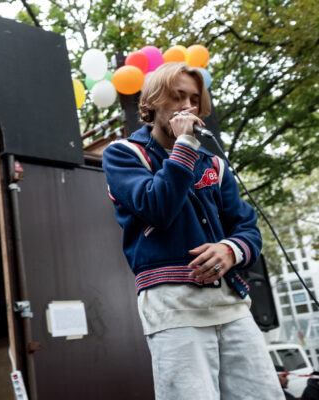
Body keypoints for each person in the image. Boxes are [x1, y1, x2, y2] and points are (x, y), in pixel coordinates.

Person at [102, 62, 284, 399]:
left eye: (194, 99)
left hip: (230, 303)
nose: (187, 107)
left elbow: (247, 227)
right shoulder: (123, 155)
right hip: (173, 305)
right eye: (177, 96)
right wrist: (184, 144)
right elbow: (157, 207)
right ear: (154, 101)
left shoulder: (214, 165)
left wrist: (230, 249)